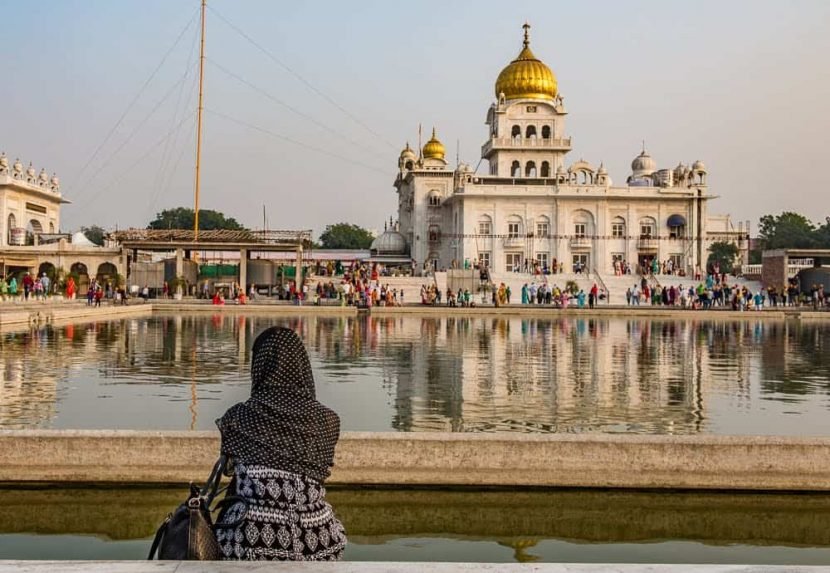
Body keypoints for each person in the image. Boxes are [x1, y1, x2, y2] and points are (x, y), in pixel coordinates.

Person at [214, 327, 347, 561]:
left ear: (259, 367)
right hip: (315, 540)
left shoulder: (238, 416)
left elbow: (230, 471)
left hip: (248, 539)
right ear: (302, 366)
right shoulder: (327, 420)